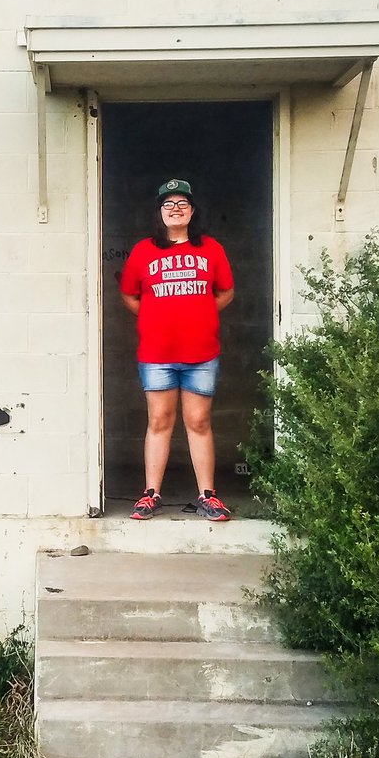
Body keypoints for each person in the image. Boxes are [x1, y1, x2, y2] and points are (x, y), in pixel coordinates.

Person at [119, 178, 235, 522]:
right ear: (159, 212)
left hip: (202, 353)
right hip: (157, 354)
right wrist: (155, 316)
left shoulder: (211, 249)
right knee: (159, 421)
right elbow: (129, 295)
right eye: (168, 204)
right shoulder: (143, 251)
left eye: (182, 203)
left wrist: (201, 313)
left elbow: (226, 292)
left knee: (198, 421)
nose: (175, 209)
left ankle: (208, 496)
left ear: (193, 211)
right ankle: (150, 494)